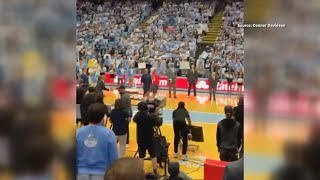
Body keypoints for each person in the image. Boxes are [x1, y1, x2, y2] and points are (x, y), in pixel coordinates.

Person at [76, 103, 118, 180]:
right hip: (102, 174)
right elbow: (114, 158)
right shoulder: (109, 134)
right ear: (103, 117)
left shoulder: (78, 132)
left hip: (80, 173)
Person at [133, 102, 163, 175]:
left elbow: (134, 119)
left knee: (141, 156)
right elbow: (159, 123)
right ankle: (155, 171)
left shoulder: (137, 116)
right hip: (150, 139)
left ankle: (140, 172)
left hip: (140, 138)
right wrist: (158, 116)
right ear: (147, 108)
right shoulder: (150, 117)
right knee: (153, 155)